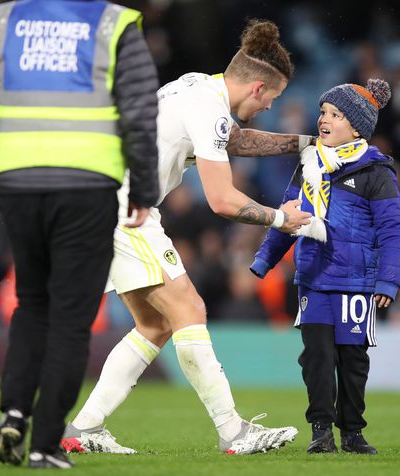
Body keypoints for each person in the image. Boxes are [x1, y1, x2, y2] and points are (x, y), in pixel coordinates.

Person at [60, 19, 312, 456]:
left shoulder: (198, 86)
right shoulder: (210, 109)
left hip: (100, 197)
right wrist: (279, 219)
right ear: (257, 88)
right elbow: (221, 200)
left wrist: (303, 143)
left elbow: (236, 140)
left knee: (155, 324)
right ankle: (233, 431)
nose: (272, 105)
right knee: (190, 307)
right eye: (273, 97)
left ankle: (84, 428)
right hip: (123, 207)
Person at [0, 0, 160, 469]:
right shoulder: (114, 23)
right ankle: (45, 444)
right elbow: (140, 112)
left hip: (19, 182)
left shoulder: (0, 21)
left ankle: (14, 411)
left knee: (33, 303)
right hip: (88, 184)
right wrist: (144, 187)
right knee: (70, 317)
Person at [250, 79, 400, 454]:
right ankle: (321, 430)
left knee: (352, 360)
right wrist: (264, 259)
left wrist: (387, 281)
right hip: (315, 280)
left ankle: (352, 432)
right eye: (324, 111)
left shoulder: (376, 172)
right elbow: (289, 216)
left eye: (336, 114)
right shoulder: (308, 166)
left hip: (356, 283)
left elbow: (393, 230)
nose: (325, 119)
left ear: (356, 127)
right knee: (317, 358)